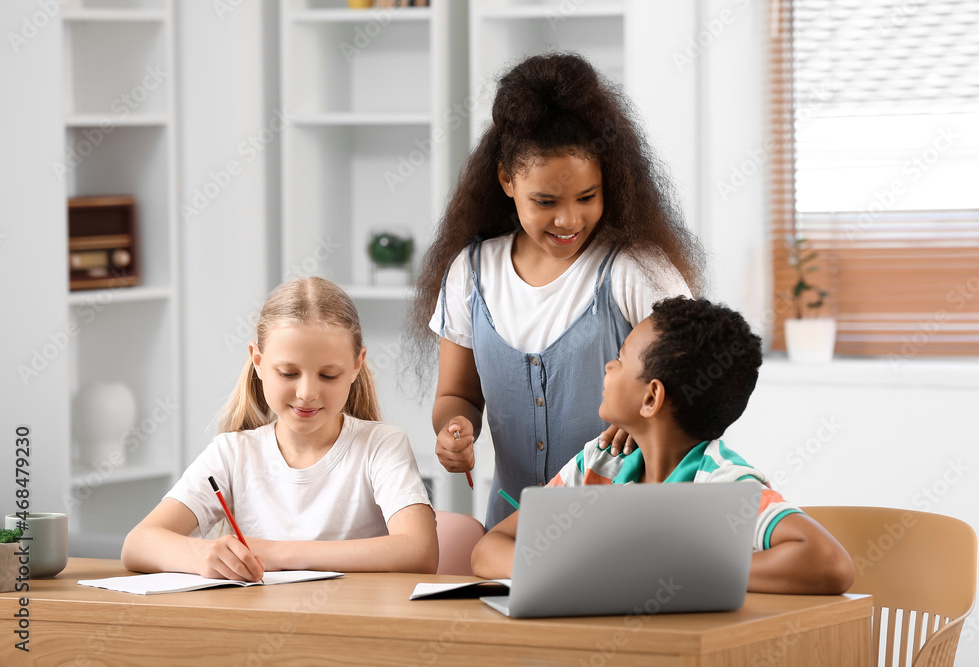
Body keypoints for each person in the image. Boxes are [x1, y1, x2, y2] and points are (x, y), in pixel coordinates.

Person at [407, 52, 706, 529]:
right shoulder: (472, 272)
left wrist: (639, 416)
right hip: (510, 532)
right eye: (545, 201)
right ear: (506, 180)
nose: (569, 220)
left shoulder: (633, 269)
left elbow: (697, 375)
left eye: (587, 197)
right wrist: (453, 430)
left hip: (625, 528)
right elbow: (457, 394)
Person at [471, 296, 855, 594]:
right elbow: (490, 548)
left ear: (651, 398)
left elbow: (831, 563)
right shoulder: (599, 463)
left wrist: (669, 574)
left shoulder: (721, 485)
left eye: (620, 359)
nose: (608, 367)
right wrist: (566, 568)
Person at [122, 277, 438, 580]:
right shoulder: (232, 453)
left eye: (328, 376)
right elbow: (138, 544)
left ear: (357, 365)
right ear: (257, 361)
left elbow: (419, 550)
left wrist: (281, 554)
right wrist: (203, 556)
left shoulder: (380, 446)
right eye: (288, 373)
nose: (307, 393)